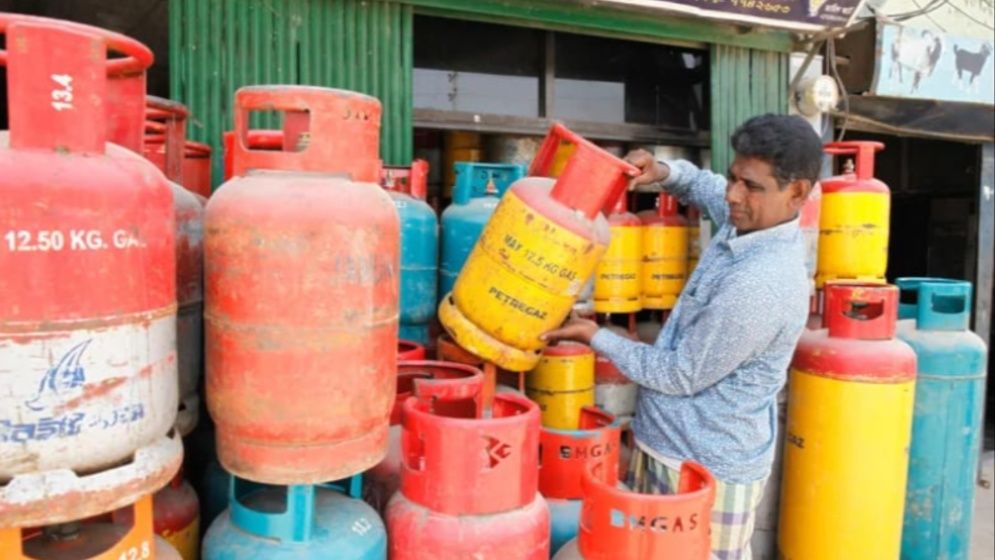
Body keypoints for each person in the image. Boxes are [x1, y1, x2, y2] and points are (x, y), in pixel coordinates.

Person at [542, 114, 823, 559]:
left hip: (701, 470)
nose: (733, 194)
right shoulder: (749, 219)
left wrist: (595, 335)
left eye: (750, 186)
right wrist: (664, 172)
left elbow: (680, 374)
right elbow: (705, 188)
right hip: (666, 446)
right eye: (734, 177)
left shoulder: (762, 284)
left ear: (798, 192)